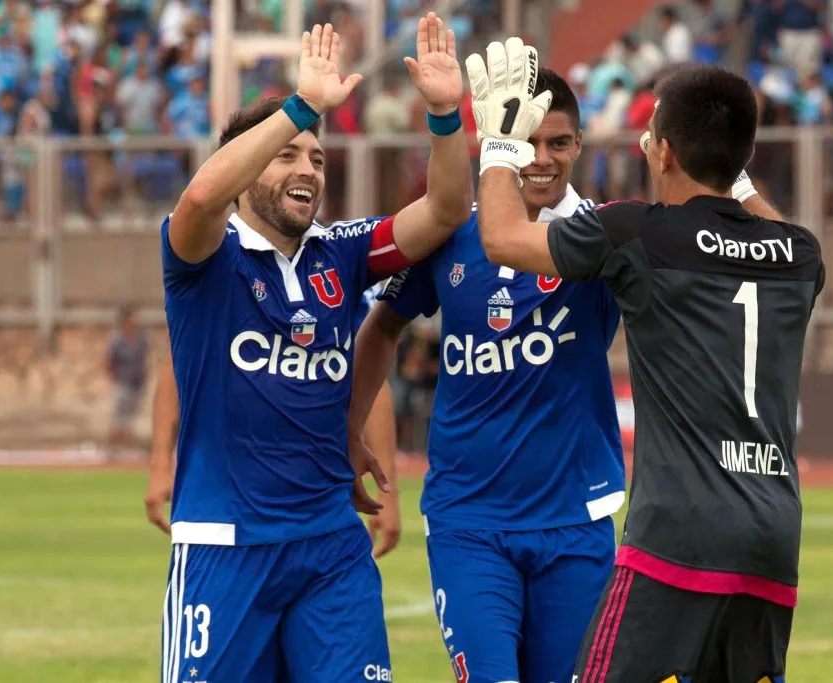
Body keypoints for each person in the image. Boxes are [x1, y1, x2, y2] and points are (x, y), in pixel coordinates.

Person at [469, 43, 824, 682]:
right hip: (773, 537)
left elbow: (500, 239)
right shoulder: (798, 254)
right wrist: (732, 169)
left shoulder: (639, 233)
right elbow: (767, 227)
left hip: (676, 534)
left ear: (662, 152)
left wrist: (499, 142)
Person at [158, 16, 470, 683]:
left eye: (318, 157)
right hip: (225, 545)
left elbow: (445, 211)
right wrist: (300, 106)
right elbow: (203, 193)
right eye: (287, 154)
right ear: (243, 170)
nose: (309, 168)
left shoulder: (345, 250)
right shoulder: (201, 253)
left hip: (330, 545)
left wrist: (445, 113)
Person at [348, 66, 625, 683]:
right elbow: (381, 328)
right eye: (526, 141)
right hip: (468, 520)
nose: (542, 159)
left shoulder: (608, 235)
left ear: (579, 145)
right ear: (502, 140)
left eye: (559, 143)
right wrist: (349, 426)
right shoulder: (450, 233)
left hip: (575, 521)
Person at [145, 285, 402, 559]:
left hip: (324, 509)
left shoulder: (343, 262)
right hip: (226, 509)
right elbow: (178, 359)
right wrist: (161, 465)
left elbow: (369, 374)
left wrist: (388, 492)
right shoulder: (222, 259)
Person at [105, 304, 150, 454]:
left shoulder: (142, 339)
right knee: (119, 419)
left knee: (130, 420)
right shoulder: (117, 340)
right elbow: (108, 362)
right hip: (123, 383)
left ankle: (124, 449)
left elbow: (145, 360)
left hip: (137, 384)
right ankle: (111, 450)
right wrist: (114, 380)